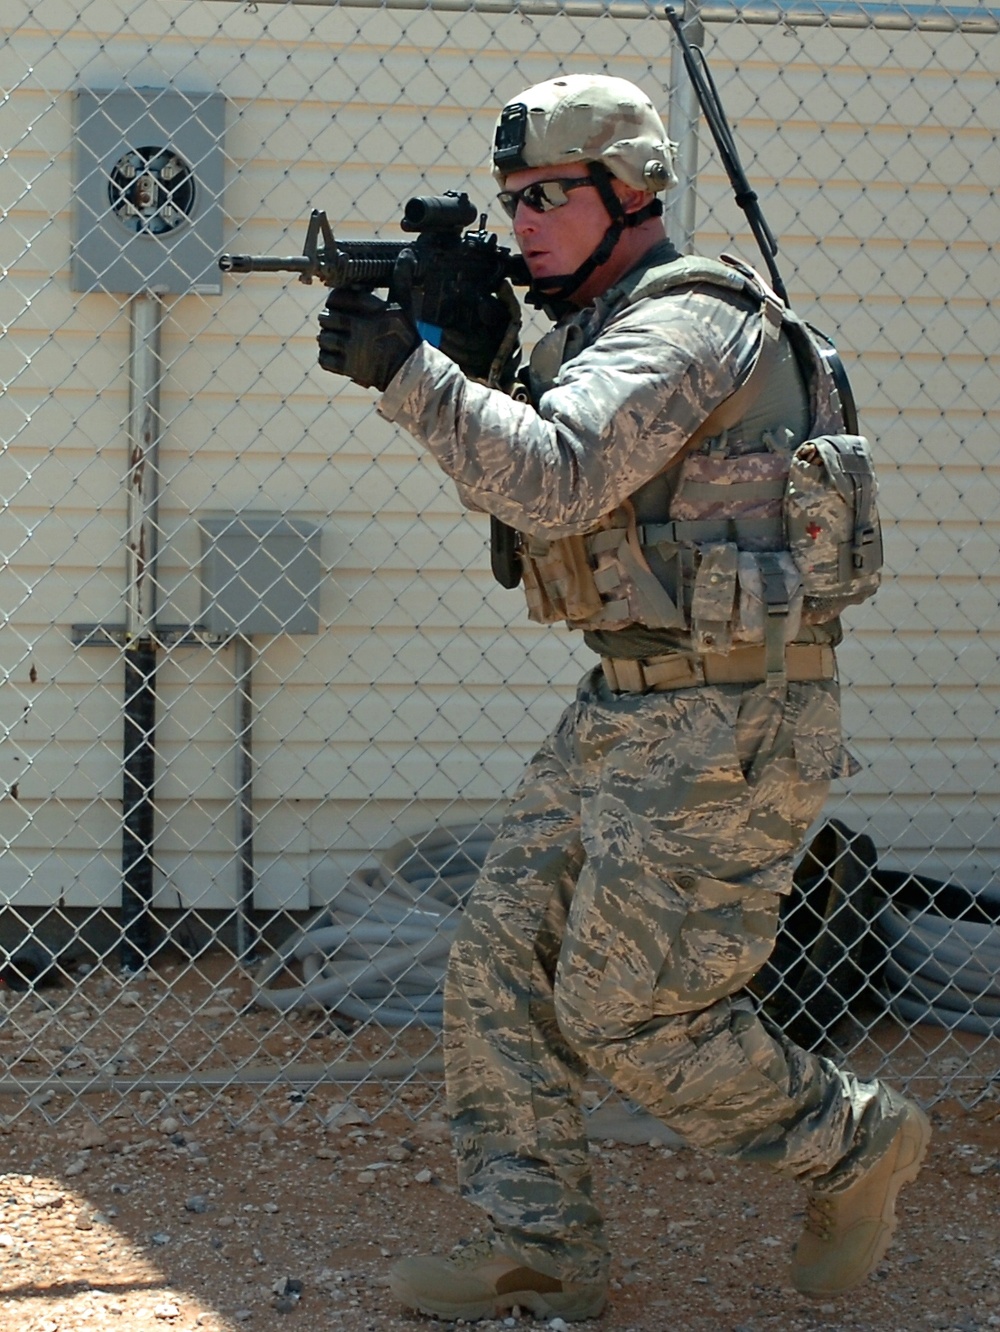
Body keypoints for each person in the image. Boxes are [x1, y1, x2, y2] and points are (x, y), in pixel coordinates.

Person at [316, 73, 929, 1325]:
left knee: (630, 1016)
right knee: (498, 960)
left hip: (732, 720)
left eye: (548, 195)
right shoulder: (586, 338)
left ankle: (853, 1141)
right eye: (511, 199)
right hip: (629, 705)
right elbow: (527, 522)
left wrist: (411, 379)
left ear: (628, 192)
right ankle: (540, 1248)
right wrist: (471, 367)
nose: (523, 220)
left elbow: (551, 481)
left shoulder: (687, 326)